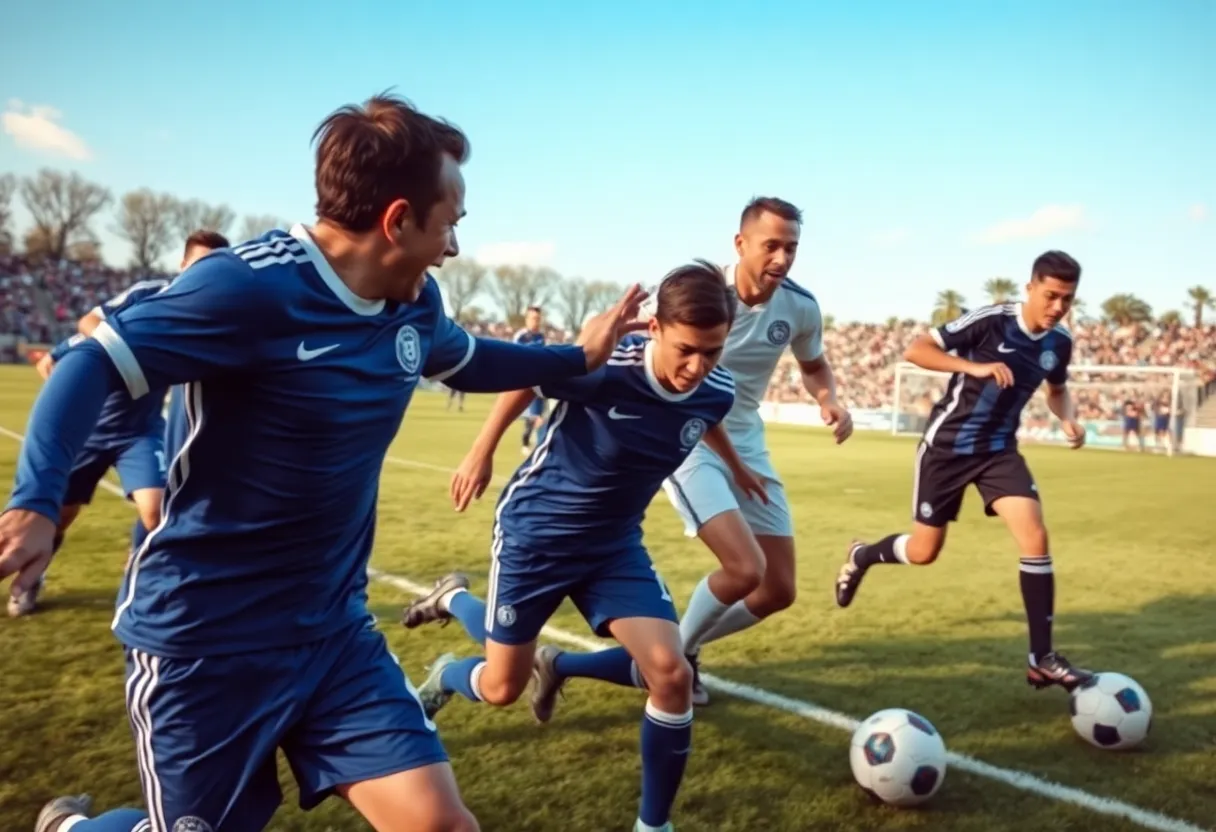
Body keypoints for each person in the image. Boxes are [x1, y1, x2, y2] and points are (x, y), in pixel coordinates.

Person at [3, 92, 646, 832]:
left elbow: (468, 359)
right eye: (451, 224)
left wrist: (579, 355)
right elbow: (95, 362)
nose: (454, 248)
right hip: (208, 644)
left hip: (333, 631)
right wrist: (38, 500)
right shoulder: (248, 288)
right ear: (398, 219)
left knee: (441, 824)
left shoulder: (415, 304)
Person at [402, 261, 762, 832]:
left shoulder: (715, 387)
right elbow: (525, 378)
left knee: (671, 674)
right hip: (535, 537)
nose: (698, 367)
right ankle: (448, 651)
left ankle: (652, 826)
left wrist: (738, 467)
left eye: (712, 352)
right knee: (500, 687)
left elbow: (706, 413)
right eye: (687, 350)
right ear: (655, 328)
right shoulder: (604, 370)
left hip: (614, 546)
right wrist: (481, 449)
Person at [834, 250, 1093, 692]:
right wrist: (973, 365)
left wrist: (1067, 417)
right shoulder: (993, 321)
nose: (1057, 307)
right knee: (923, 551)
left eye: (1066, 300)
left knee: (1035, 536)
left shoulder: (1059, 343)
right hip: (947, 448)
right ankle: (862, 556)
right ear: (1030, 288)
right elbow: (917, 349)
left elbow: (1057, 390)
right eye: (1050, 296)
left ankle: (1041, 658)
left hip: (998, 452)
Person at [660, 197, 853, 706]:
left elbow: (814, 366)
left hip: (747, 441)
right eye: (771, 245)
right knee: (744, 568)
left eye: (791, 248)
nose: (782, 258)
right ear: (740, 243)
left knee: (777, 589)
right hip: (689, 438)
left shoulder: (800, 306)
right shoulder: (699, 293)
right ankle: (671, 664)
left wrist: (829, 398)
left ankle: (683, 651)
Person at [9, 231, 230, 618]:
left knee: (157, 509)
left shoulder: (213, 313)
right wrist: (122, 345)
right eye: (199, 266)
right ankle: (30, 579)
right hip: (93, 430)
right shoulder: (151, 296)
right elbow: (86, 325)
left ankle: (138, 575)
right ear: (182, 267)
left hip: (139, 434)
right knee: (61, 515)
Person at [514, 305, 548, 453]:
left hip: (538, 380)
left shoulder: (541, 337)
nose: (536, 321)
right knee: (533, 417)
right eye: (534, 318)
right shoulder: (520, 336)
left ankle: (534, 444)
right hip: (524, 379)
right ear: (527, 319)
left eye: (538, 319)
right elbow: (514, 356)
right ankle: (528, 444)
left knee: (539, 415)